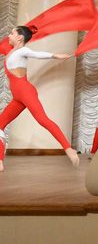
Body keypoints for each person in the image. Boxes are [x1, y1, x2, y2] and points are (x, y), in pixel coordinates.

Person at [0, 26, 78, 171]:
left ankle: (68, 149)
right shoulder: (10, 50)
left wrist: (56, 56)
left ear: (20, 37)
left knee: (43, 120)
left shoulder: (23, 51)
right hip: (17, 97)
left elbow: (37, 54)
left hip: (26, 92)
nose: (9, 35)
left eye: (12, 33)